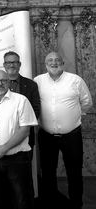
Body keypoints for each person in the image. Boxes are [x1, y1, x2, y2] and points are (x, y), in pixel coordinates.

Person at [34, 52, 93, 209]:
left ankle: (76, 205)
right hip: (46, 136)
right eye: (50, 61)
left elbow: (87, 103)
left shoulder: (75, 80)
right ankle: (51, 205)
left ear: (63, 63)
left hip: (71, 137)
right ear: (45, 64)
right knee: (48, 173)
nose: (54, 63)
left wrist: (70, 115)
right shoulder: (38, 81)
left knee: (74, 174)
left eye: (57, 60)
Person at [0, 70, 38, 209]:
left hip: (17, 159)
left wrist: (3, 148)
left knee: (21, 199)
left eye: (3, 81)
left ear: (8, 82)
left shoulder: (21, 100)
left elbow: (25, 130)